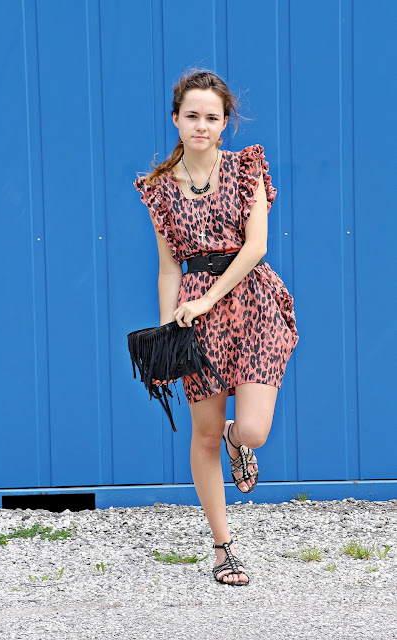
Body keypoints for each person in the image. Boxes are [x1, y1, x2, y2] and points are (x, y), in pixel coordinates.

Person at [134, 69, 299, 586]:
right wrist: (168, 335)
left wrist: (208, 298)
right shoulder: (160, 189)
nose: (201, 125)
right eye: (192, 116)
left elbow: (256, 247)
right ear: (175, 120)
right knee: (203, 435)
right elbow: (169, 268)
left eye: (212, 117)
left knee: (253, 429)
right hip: (196, 317)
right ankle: (224, 548)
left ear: (226, 122)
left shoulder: (247, 169)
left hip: (251, 302)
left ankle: (238, 440)